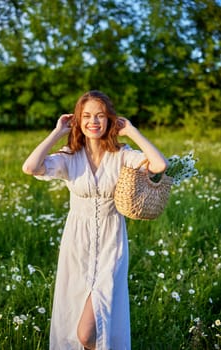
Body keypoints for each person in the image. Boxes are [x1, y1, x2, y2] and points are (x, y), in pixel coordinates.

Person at [22, 90, 168, 350]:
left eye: (101, 116)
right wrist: (57, 132)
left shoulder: (122, 155)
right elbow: (30, 167)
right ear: (77, 121)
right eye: (87, 116)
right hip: (76, 245)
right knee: (73, 317)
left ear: (110, 120)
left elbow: (159, 166)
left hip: (111, 245)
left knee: (88, 332)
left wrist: (132, 131)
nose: (94, 122)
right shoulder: (70, 157)